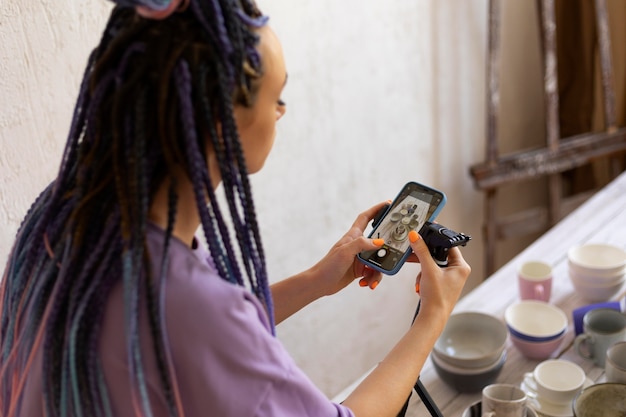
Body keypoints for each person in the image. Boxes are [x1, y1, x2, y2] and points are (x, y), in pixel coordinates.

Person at [0, 0, 471, 416]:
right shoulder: (188, 304)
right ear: (222, 124)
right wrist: (433, 315)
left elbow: (193, 343)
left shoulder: (62, 214)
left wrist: (315, 281)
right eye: (277, 97)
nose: (282, 113)